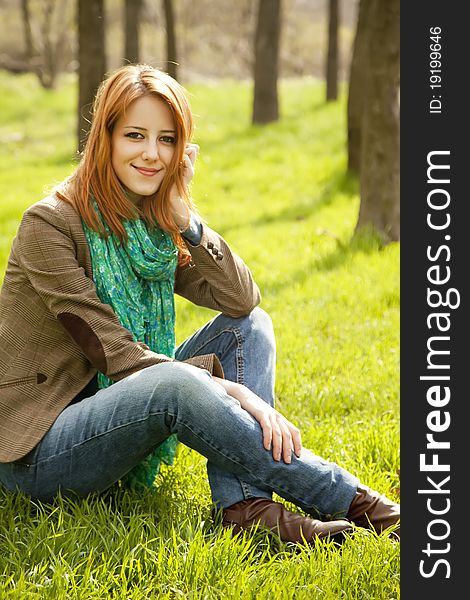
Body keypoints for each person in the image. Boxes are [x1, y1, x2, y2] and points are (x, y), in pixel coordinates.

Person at [0, 64, 399, 545]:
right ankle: (352, 499)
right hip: (37, 450)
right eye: (135, 135)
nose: (151, 154)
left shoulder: (152, 222)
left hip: (110, 413)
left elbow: (240, 298)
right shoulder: (49, 225)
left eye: (167, 140)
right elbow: (115, 353)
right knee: (170, 382)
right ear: (104, 138)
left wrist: (187, 221)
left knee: (249, 328)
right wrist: (234, 391)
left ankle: (246, 506)